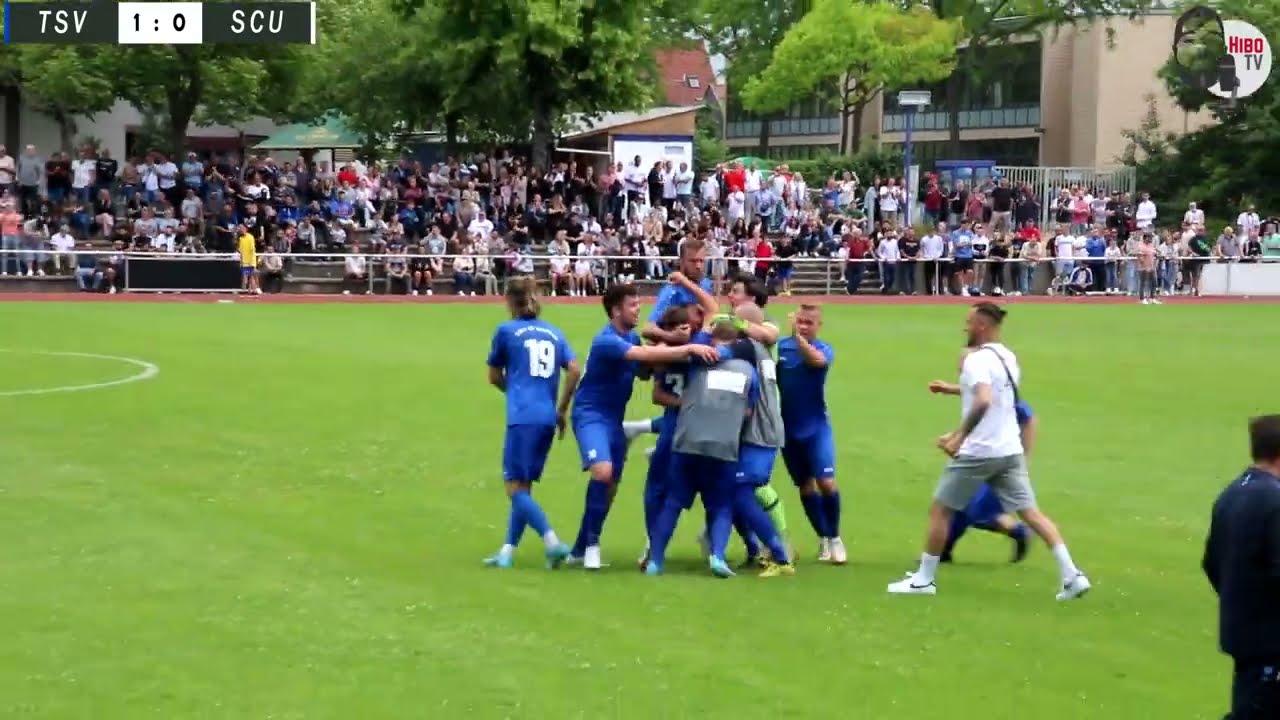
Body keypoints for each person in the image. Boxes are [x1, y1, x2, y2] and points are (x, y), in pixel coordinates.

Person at [889, 302, 1091, 599]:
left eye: (969, 322)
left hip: (980, 451)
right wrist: (951, 389)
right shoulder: (1007, 356)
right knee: (1031, 513)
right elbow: (994, 392)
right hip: (1010, 450)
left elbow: (983, 399)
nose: (965, 327)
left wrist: (959, 436)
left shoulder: (976, 360)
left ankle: (924, 580)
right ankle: (1072, 574)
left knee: (940, 509)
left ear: (982, 326)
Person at [568, 283, 719, 570]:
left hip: (613, 418)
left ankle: (579, 547)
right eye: (633, 305)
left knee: (610, 485)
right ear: (615, 310)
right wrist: (687, 347)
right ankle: (591, 545)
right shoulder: (607, 340)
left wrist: (669, 343)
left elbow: (646, 370)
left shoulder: (632, 337)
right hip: (590, 414)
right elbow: (643, 357)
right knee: (602, 472)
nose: (639, 309)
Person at [645, 318, 789, 578]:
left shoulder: (698, 361)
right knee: (721, 505)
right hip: (723, 446)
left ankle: (656, 561)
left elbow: (667, 362)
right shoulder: (748, 371)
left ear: (713, 340)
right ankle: (718, 557)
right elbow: (747, 411)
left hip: (687, 441)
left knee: (673, 503)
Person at [482, 278, 579, 569]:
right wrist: (561, 409)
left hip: (522, 416)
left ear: (510, 301)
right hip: (547, 417)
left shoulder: (506, 331)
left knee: (514, 488)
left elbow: (493, 376)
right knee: (524, 487)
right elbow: (574, 369)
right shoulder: (554, 333)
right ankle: (507, 551)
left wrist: (514, 389)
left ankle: (552, 542)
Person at [1202, 415, 1280, 720]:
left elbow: (1211, 562)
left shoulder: (1231, 493)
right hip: (1272, 645)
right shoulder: (1274, 501)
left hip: (1244, 636)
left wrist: (1240, 599)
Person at [928, 344, 1035, 563]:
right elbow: (973, 393)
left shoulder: (1006, 400)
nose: (960, 367)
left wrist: (1025, 458)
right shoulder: (980, 390)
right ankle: (943, 552)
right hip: (982, 454)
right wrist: (948, 390)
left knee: (973, 512)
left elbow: (1029, 420)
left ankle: (1019, 531)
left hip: (1001, 458)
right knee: (957, 506)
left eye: (964, 362)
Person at [778, 304, 847, 564]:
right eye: (801, 321)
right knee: (805, 486)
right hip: (787, 430)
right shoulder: (780, 348)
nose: (804, 326)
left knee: (826, 482)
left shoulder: (823, 349)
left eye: (809, 323)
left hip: (816, 427)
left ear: (819, 326)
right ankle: (824, 538)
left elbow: (816, 361)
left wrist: (798, 337)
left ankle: (836, 537)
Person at [236, 224, 260, 295]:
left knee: (251, 276)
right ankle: (245, 290)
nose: (241, 229)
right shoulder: (240, 239)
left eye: (242, 228)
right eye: (240, 228)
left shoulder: (250, 237)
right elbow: (240, 250)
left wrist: (252, 261)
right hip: (244, 261)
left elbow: (252, 249)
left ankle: (254, 290)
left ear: (245, 229)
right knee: (245, 276)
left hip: (250, 261)